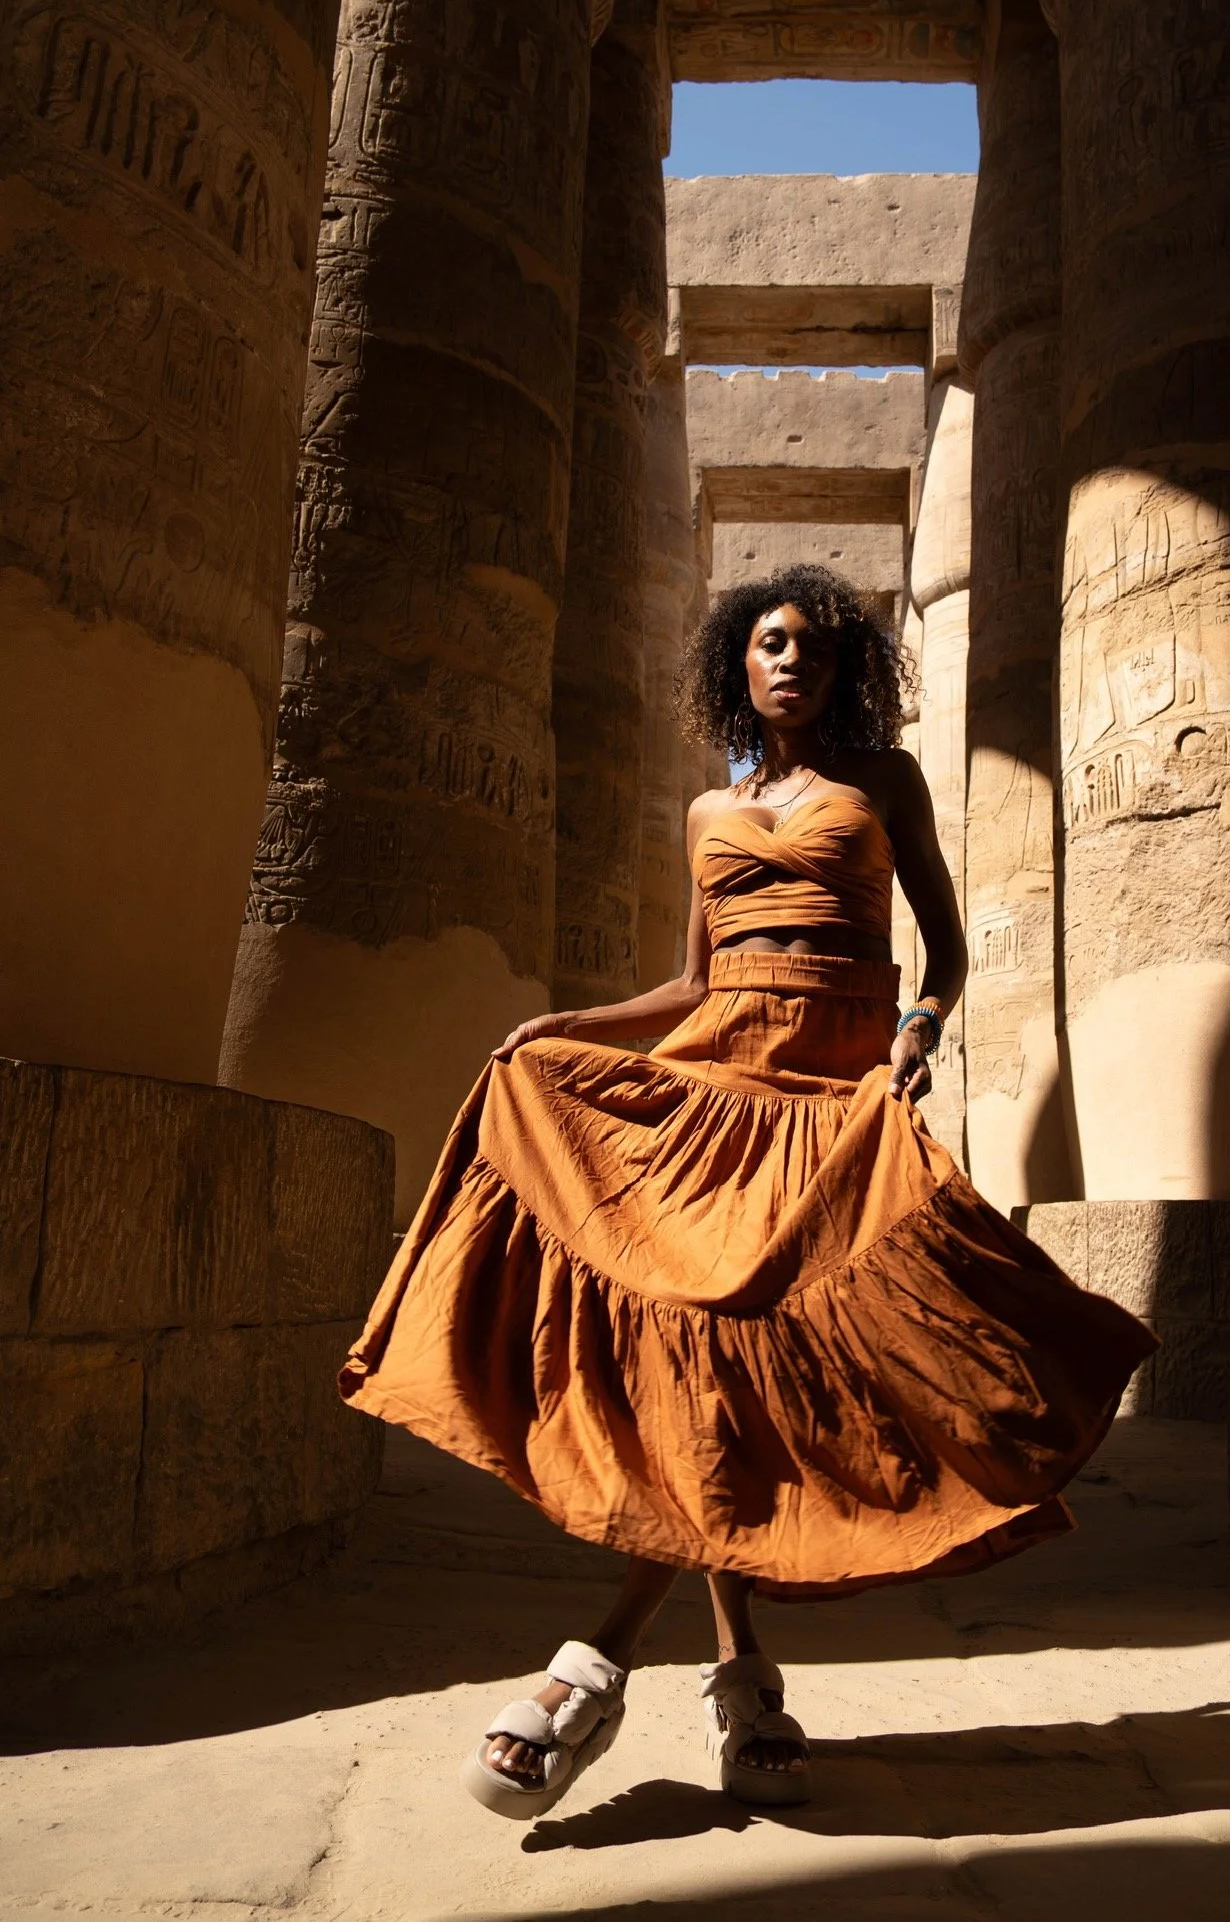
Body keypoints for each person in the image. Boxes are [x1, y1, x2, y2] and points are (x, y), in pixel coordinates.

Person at [340, 564, 1154, 1821]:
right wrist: (568, 1026)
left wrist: (922, 1029)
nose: (791, 663)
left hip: (832, 1103)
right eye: (771, 644)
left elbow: (943, 947)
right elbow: (694, 986)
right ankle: (734, 1680)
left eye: (814, 650)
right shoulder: (709, 810)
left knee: (802, 1360)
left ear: (843, 672)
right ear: (740, 662)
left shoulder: (884, 783)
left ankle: (604, 1665)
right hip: (719, 1089)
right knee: (709, 1370)